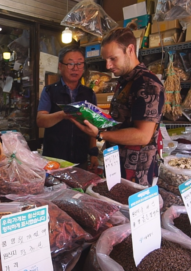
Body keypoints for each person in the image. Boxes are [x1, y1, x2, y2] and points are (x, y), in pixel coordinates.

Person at [71, 27, 165, 186]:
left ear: (130, 49)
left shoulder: (147, 84)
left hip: (135, 172)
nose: (108, 66)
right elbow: (124, 118)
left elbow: (143, 135)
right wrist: (97, 115)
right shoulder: (125, 81)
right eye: (105, 59)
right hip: (116, 164)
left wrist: (100, 134)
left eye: (113, 58)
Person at [37, 45, 99, 170]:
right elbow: (40, 120)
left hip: (80, 158)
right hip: (54, 158)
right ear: (60, 66)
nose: (75, 68)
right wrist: (63, 114)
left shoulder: (89, 93)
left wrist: (93, 153)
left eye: (79, 64)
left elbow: (92, 124)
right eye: (70, 64)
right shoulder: (49, 91)